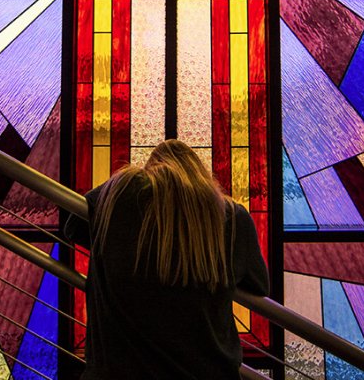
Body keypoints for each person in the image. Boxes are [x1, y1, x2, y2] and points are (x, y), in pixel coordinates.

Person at [64, 139, 269, 379]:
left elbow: (73, 228)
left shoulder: (120, 194)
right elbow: (259, 284)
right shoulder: (231, 218)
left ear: (151, 170)